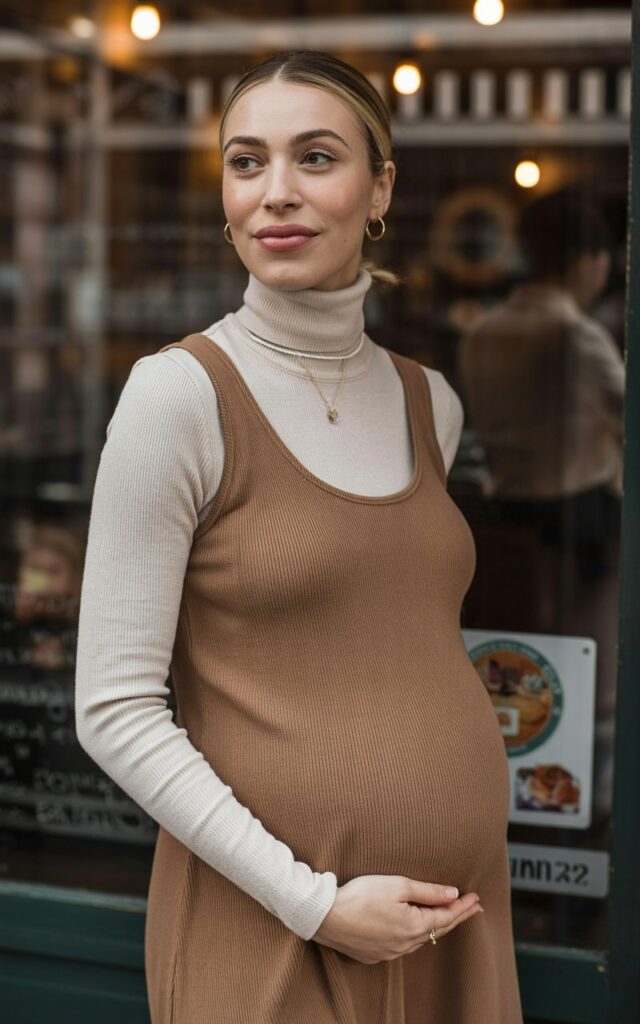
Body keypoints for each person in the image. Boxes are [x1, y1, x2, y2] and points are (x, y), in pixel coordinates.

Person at [75, 50, 523, 1024]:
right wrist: (314, 903)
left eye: (315, 157)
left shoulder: (429, 402)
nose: (275, 191)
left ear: (379, 189)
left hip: (457, 917)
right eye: (247, 162)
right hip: (273, 921)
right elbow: (114, 709)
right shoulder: (178, 396)